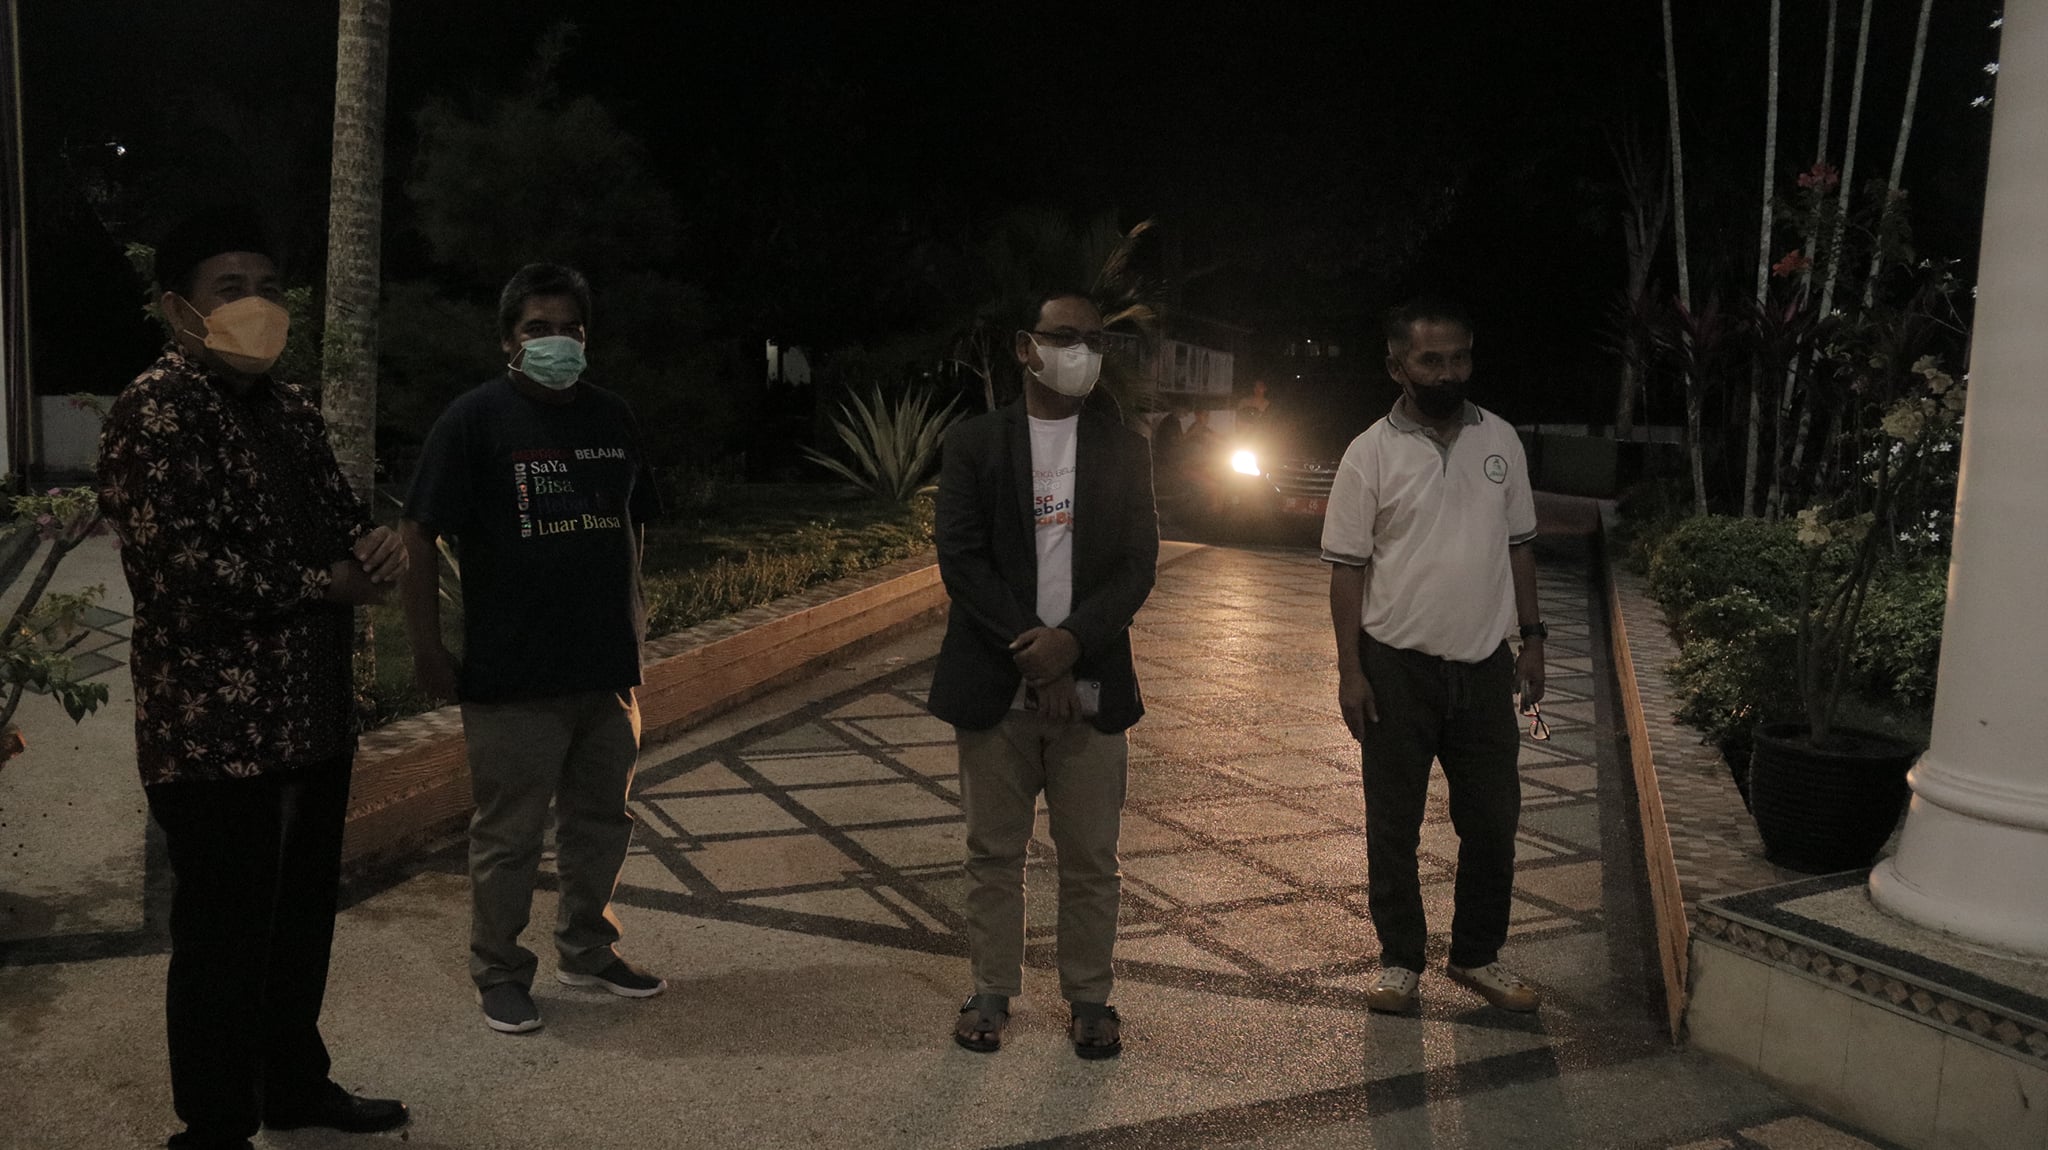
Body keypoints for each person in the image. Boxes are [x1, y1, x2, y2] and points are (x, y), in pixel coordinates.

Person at [97, 208, 409, 1149]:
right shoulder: (155, 411)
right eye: (230, 288)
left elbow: (340, 518)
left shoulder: (291, 409)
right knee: (223, 939)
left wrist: (378, 547)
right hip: (212, 735)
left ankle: (294, 1087)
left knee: (301, 919)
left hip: (311, 715)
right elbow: (183, 567)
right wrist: (325, 582)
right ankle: (216, 1125)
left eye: (269, 287)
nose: (256, 305)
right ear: (178, 309)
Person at [399, 263, 665, 1036]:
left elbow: (634, 522)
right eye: (537, 328)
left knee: (602, 821)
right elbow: (418, 531)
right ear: (507, 341)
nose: (556, 342)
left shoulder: (611, 416)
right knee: (509, 836)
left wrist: (633, 622)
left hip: (604, 670)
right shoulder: (475, 420)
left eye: (570, 329)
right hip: (512, 675)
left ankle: (588, 948)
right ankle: (500, 971)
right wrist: (427, 648)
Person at [928, 290, 1158, 1059]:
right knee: (993, 851)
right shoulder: (975, 443)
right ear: (1026, 347)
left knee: (1091, 856)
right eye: (1065, 337)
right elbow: (962, 560)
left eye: (1094, 340)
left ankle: (1090, 998)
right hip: (996, 685)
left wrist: (1073, 644)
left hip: (1093, 686)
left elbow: (1137, 566)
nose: (1081, 353)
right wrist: (1035, 650)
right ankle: (991, 991)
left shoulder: (1125, 448)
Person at [1320, 298, 1546, 1016]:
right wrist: (1350, 671)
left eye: (1460, 358)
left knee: (1492, 823)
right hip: (1396, 669)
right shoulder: (1369, 453)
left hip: (1483, 667)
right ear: (1397, 367)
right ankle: (1400, 960)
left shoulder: (1500, 440)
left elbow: (1520, 547)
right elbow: (1347, 569)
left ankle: (1477, 954)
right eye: (1431, 360)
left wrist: (1533, 640)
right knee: (1394, 825)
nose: (1449, 372)